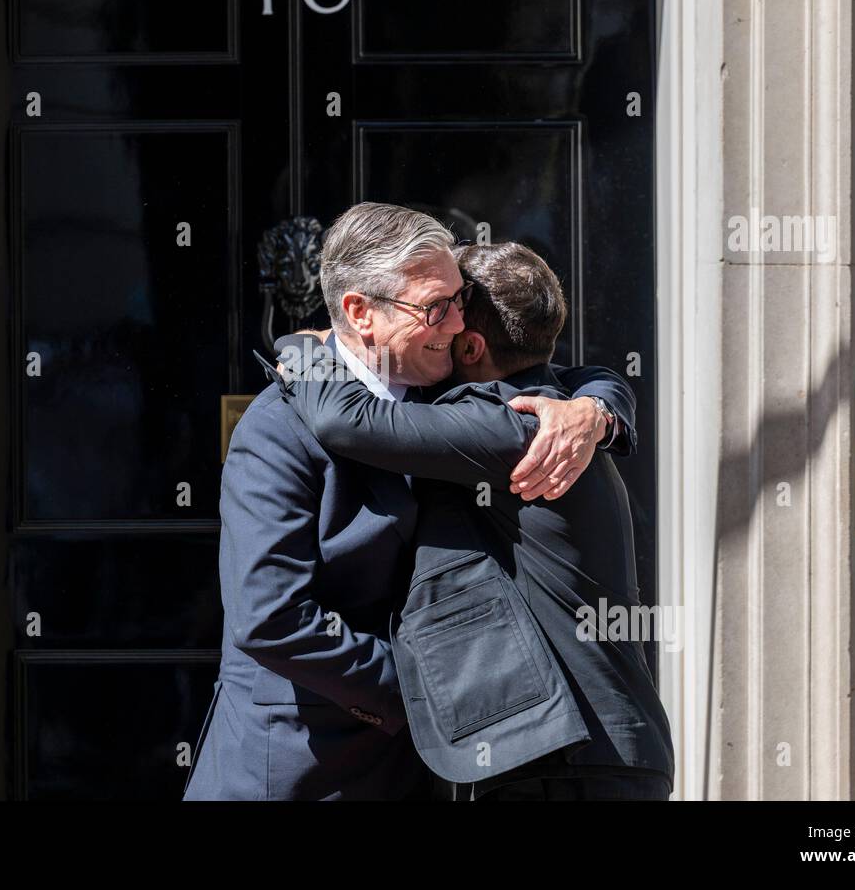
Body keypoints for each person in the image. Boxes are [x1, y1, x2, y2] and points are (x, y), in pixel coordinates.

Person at [182, 205, 634, 800]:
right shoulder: (278, 428)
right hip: (295, 765)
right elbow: (270, 618)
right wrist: (430, 692)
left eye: (461, 299)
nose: (457, 323)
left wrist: (597, 409)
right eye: (435, 307)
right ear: (360, 312)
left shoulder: (445, 392)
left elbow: (559, 375)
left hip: (417, 771)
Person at [269, 241, 674, 800]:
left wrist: (308, 346)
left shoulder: (505, 425)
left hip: (571, 763)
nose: (440, 325)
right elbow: (594, 373)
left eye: (446, 314)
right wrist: (602, 406)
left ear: (473, 345)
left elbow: (347, 423)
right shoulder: (555, 409)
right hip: (594, 751)